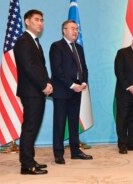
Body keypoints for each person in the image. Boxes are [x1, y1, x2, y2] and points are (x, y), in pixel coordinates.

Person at [14, 9, 53, 175]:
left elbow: (41, 68)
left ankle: (30, 159)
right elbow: (28, 68)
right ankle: (26, 165)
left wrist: (48, 83)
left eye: (42, 20)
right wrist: (43, 85)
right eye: (37, 19)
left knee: (33, 126)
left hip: (37, 90)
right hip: (31, 91)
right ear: (27, 21)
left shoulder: (34, 41)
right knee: (30, 127)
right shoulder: (23, 41)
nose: (40, 23)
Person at [49, 20, 93, 164]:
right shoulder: (56, 46)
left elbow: (84, 68)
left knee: (74, 123)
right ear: (64, 30)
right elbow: (57, 71)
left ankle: (75, 151)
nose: (76, 31)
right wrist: (72, 85)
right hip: (62, 91)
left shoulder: (79, 48)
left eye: (77, 29)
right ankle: (58, 153)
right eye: (73, 29)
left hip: (77, 91)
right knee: (60, 123)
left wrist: (84, 82)